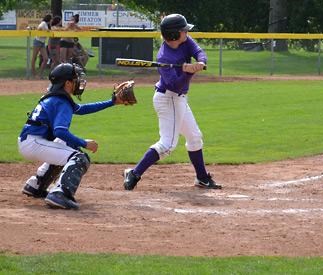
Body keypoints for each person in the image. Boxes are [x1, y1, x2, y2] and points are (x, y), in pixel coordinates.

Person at [122, 14, 222, 190]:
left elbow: (199, 52)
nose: (186, 33)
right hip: (168, 99)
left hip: (179, 98)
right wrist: (188, 72)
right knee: (167, 145)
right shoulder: (164, 58)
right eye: (183, 31)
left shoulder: (185, 41)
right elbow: (175, 85)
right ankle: (134, 173)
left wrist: (199, 63)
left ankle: (202, 178)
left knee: (195, 137)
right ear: (174, 35)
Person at [18, 63, 129, 210]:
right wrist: (84, 143)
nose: (79, 82)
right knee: (78, 157)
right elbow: (60, 131)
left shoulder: (56, 98)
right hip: (34, 143)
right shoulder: (61, 101)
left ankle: (36, 185)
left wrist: (112, 102)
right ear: (68, 83)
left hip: (31, 141)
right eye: (76, 79)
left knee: (68, 146)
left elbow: (82, 109)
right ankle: (60, 194)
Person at [31, 14, 51, 79]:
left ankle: (40, 74)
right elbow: (39, 28)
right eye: (51, 19)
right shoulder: (43, 23)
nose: (52, 20)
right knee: (34, 58)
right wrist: (44, 31)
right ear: (49, 19)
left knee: (46, 59)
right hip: (37, 41)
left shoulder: (47, 25)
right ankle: (34, 74)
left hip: (42, 43)